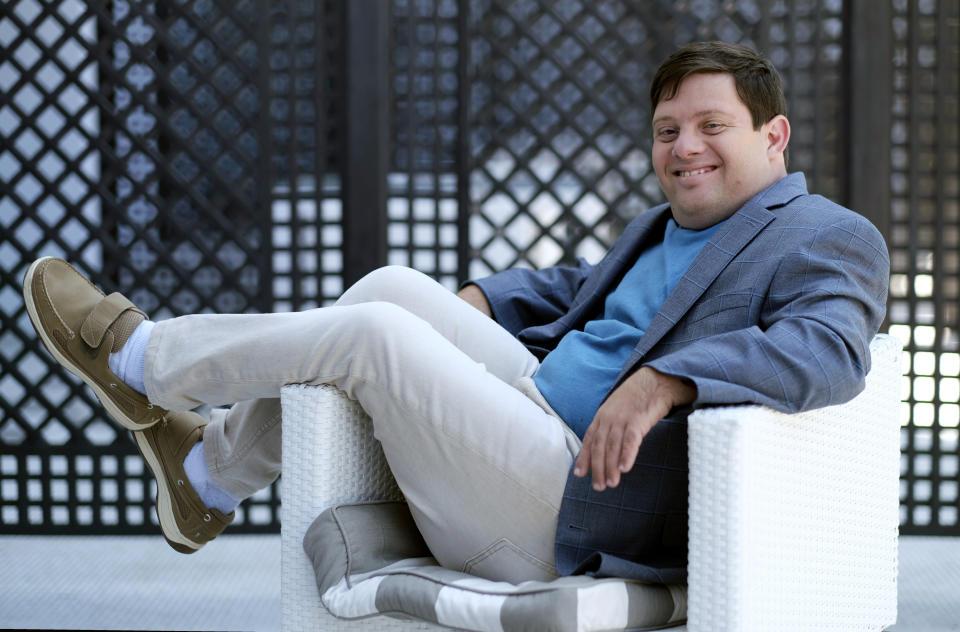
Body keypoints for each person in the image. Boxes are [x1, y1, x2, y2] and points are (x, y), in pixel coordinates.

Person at [23, 41, 888, 584]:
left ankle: (137, 357)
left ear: (773, 138)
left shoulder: (826, 236)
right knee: (393, 289)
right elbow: (582, 292)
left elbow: (828, 351)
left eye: (711, 126)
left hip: (576, 500)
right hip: (529, 415)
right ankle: (210, 480)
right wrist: (473, 302)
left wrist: (666, 382)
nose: (684, 148)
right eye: (667, 130)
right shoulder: (668, 227)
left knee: (372, 335)